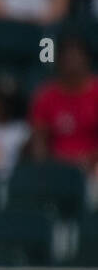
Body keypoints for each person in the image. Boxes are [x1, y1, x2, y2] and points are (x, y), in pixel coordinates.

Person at [29, 34, 98, 180]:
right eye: (67, 58)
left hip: (93, 166)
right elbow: (39, 141)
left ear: (87, 60)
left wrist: (88, 161)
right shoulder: (46, 95)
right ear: (59, 61)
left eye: (76, 57)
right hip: (56, 168)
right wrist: (48, 167)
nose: (71, 62)